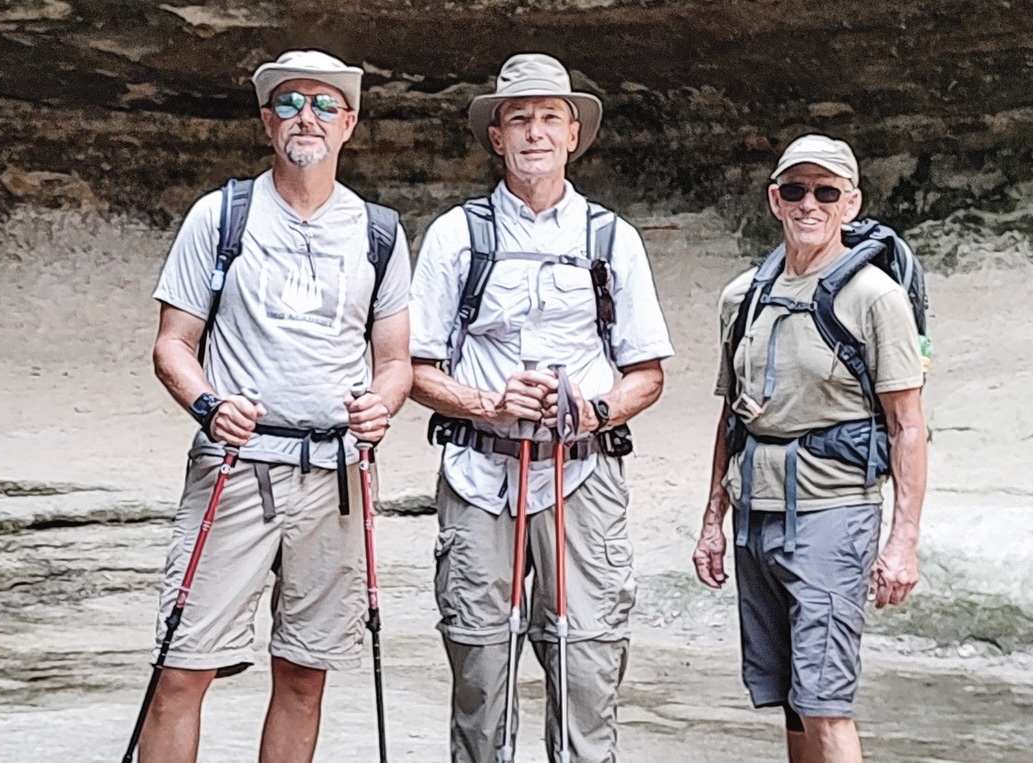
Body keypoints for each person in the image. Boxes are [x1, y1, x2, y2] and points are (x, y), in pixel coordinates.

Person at [142, 50, 412, 763]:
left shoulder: (379, 232)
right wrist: (207, 405)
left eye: (325, 105)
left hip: (337, 476)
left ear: (348, 123)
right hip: (236, 466)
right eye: (290, 103)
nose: (307, 118)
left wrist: (381, 407)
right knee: (182, 666)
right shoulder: (221, 215)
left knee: (303, 672)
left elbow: (395, 361)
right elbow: (173, 344)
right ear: (267, 121)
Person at [408, 53, 674, 763]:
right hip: (477, 470)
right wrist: (485, 400)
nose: (534, 132)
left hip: (581, 472)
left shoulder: (611, 239)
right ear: (496, 137)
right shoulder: (454, 237)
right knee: (478, 661)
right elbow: (414, 368)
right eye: (518, 118)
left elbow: (646, 374)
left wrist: (591, 410)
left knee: (585, 660)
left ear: (572, 134)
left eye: (549, 118)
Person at [692, 134, 928, 763]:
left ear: (850, 204)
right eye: (795, 190)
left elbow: (908, 425)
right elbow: (730, 416)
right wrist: (712, 522)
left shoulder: (876, 297)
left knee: (826, 701)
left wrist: (901, 543)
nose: (809, 204)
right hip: (756, 515)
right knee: (793, 699)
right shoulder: (743, 296)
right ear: (775, 199)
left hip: (833, 514)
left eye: (826, 192)